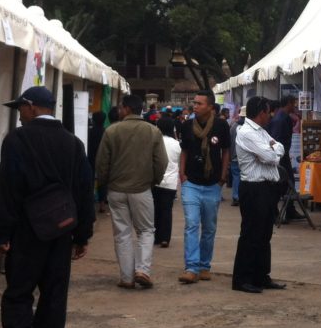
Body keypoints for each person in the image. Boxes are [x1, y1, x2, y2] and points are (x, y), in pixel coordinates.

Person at [0, 86, 95, 328]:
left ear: (31, 107)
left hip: (26, 232)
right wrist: (82, 235)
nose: (19, 115)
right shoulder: (73, 143)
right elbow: (84, 191)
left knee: (17, 295)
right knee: (53, 297)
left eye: (20, 109)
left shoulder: (16, 140)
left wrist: (3, 233)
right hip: (61, 232)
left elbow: (7, 190)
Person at [96, 94, 167, 289]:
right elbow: (161, 162)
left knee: (122, 233)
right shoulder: (153, 131)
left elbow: (102, 163)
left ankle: (126, 277)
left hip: (116, 190)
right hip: (142, 189)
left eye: (121, 107)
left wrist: (104, 184)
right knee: (146, 230)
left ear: (126, 109)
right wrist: (153, 181)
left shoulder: (111, 131)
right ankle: (142, 270)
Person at [231, 96, 288, 294]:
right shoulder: (247, 132)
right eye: (268, 111)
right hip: (254, 189)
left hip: (267, 188)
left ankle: (261, 276)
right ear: (261, 112)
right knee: (251, 234)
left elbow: (279, 148)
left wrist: (273, 149)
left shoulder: (261, 131)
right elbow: (271, 156)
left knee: (264, 234)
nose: (270, 115)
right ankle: (242, 279)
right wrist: (272, 149)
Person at [176, 89, 230, 284]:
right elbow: (184, 151)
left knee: (209, 228)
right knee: (191, 224)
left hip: (212, 184)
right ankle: (191, 267)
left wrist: (222, 176)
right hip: (191, 183)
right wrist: (182, 174)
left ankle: (204, 265)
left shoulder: (221, 126)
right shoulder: (187, 126)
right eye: (195, 103)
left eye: (199, 103)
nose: (195, 106)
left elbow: (226, 151)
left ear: (210, 107)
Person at [269, 95, 304, 222]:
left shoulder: (283, 117)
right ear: (288, 103)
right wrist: (278, 157)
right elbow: (276, 140)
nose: (295, 106)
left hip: (283, 156)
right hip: (280, 158)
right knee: (280, 186)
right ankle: (274, 213)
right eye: (293, 103)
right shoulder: (281, 119)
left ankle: (289, 210)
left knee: (288, 184)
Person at [154, 117, 181, 248]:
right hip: (170, 182)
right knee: (167, 210)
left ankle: (156, 236)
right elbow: (179, 162)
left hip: (155, 181)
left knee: (155, 209)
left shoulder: (155, 142)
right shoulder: (177, 144)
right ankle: (165, 238)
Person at [87, 110, 108, 214]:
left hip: (90, 158)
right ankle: (102, 205)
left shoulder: (89, 132)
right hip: (103, 159)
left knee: (90, 180)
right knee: (102, 181)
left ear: (94, 120)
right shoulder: (106, 132)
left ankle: (89, 203)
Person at [228, 112, 245, 207]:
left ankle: (236, 196)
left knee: (236, 177)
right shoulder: (248, 128)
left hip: (234, 157)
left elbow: (230, 143)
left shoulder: (233, 127)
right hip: (245, 158)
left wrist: (230, 157)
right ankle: (242, 196)